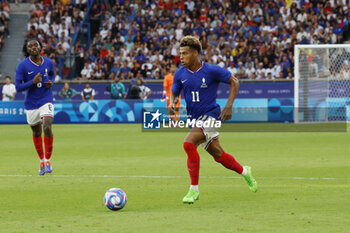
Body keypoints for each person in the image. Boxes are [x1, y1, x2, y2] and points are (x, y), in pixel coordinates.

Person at [168, 36, 258, 204]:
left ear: (195, 53)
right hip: (195, 120)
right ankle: (245, 172)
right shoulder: (180, 73)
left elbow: (234, 81)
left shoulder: (211, 70)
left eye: (185, 53)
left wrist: (229, 106)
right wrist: (172, 102)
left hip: (211, 116)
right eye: (180, 53)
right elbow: (174, 91)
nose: (181, 57)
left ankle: (193, 190)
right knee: (219, 155)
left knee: (188, 144)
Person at [15, 39, 55, 176]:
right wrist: (32, 82)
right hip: (31, 104)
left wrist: (51, 83)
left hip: (46, 99)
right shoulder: (22, 66)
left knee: (47, 126)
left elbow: (52, 75)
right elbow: (18, 87)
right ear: (27, 50)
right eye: (30, 46)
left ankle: (48, 160)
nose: (33, 47)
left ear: (40, 47)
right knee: (37, 132)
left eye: (35, 45)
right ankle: (42, 161)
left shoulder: (48, 62)